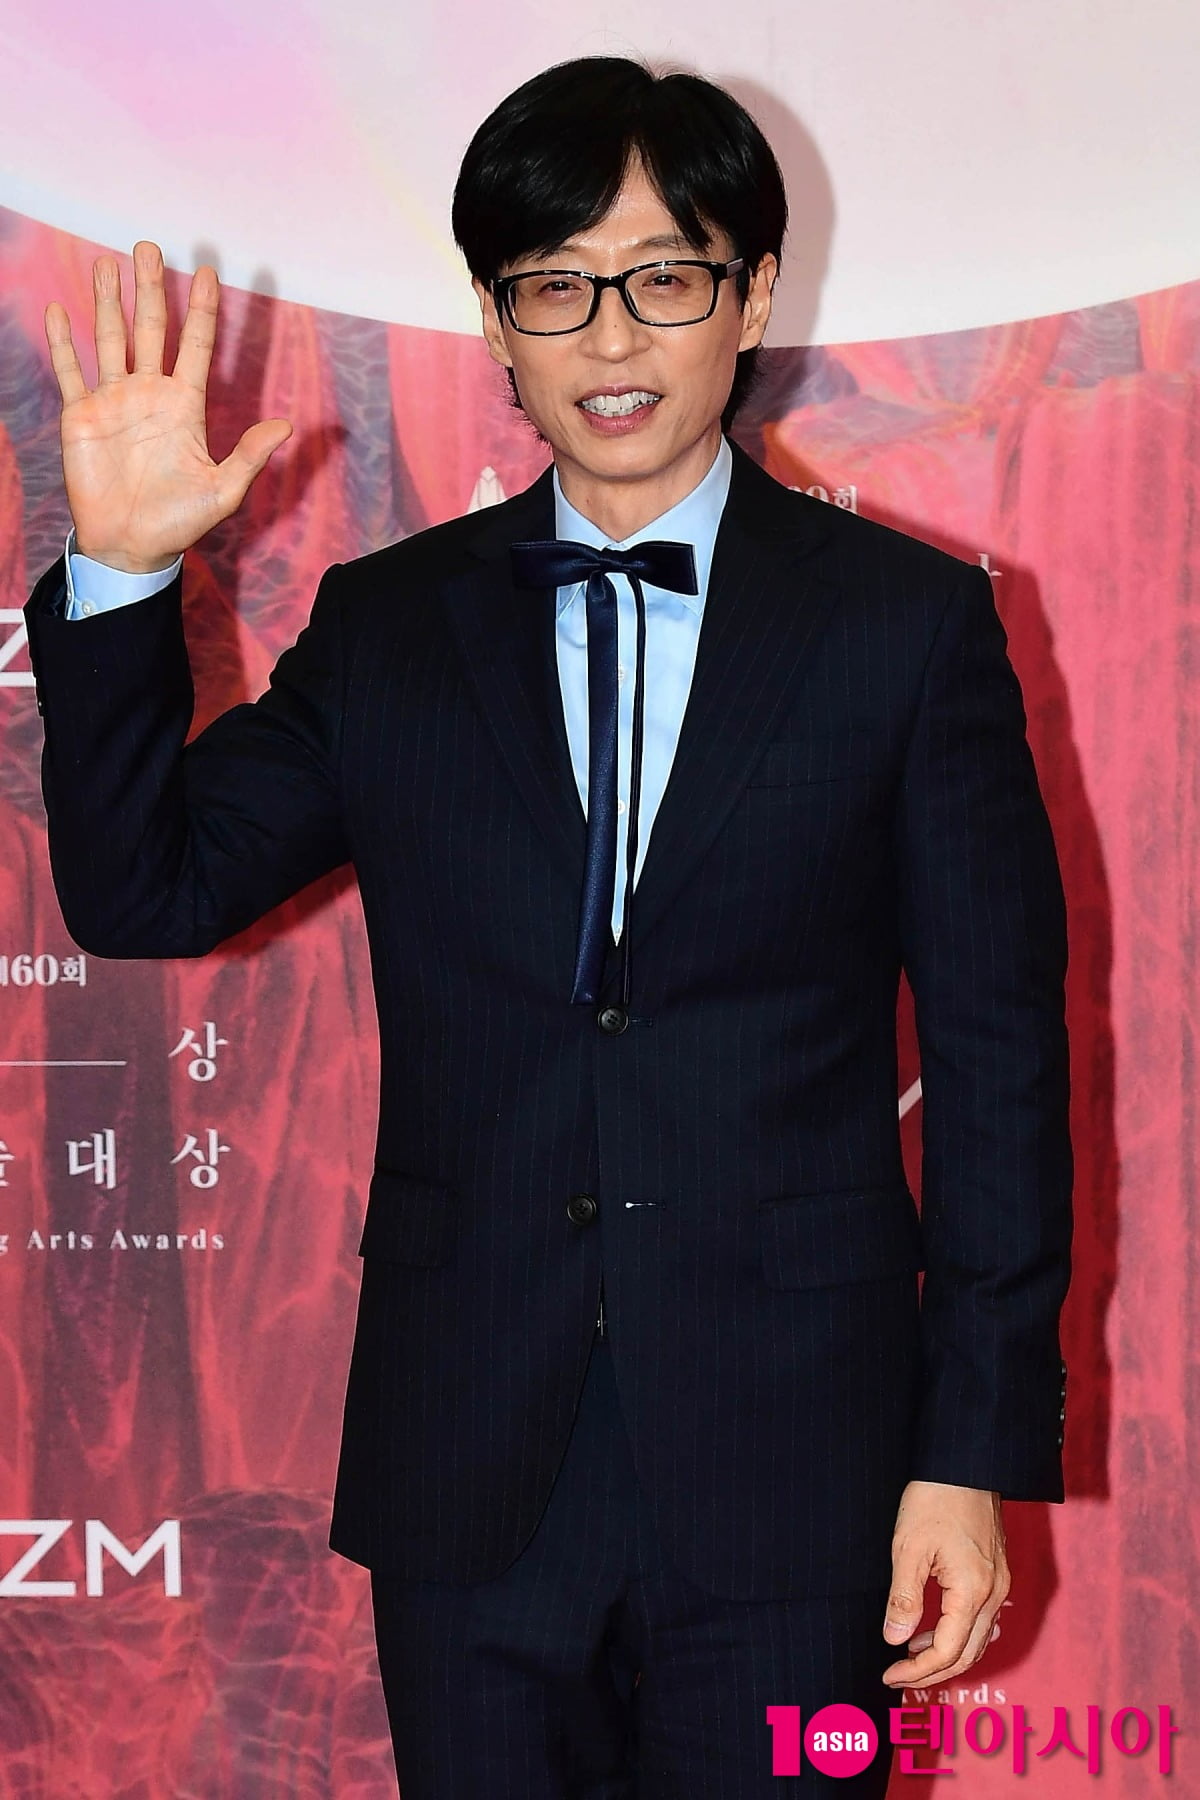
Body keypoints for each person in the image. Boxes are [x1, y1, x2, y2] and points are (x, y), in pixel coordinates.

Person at [25, 55, 1071, 1799]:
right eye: (555, 286)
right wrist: (125, 575)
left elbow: (997, 1068)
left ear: (750, 300)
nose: (612, 337)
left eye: (665, 278)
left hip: (800, 1463)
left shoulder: (906, 630)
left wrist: (967, 1454)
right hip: (472, 1461)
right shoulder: (390, 629)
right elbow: (146, 890)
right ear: (496, 324)